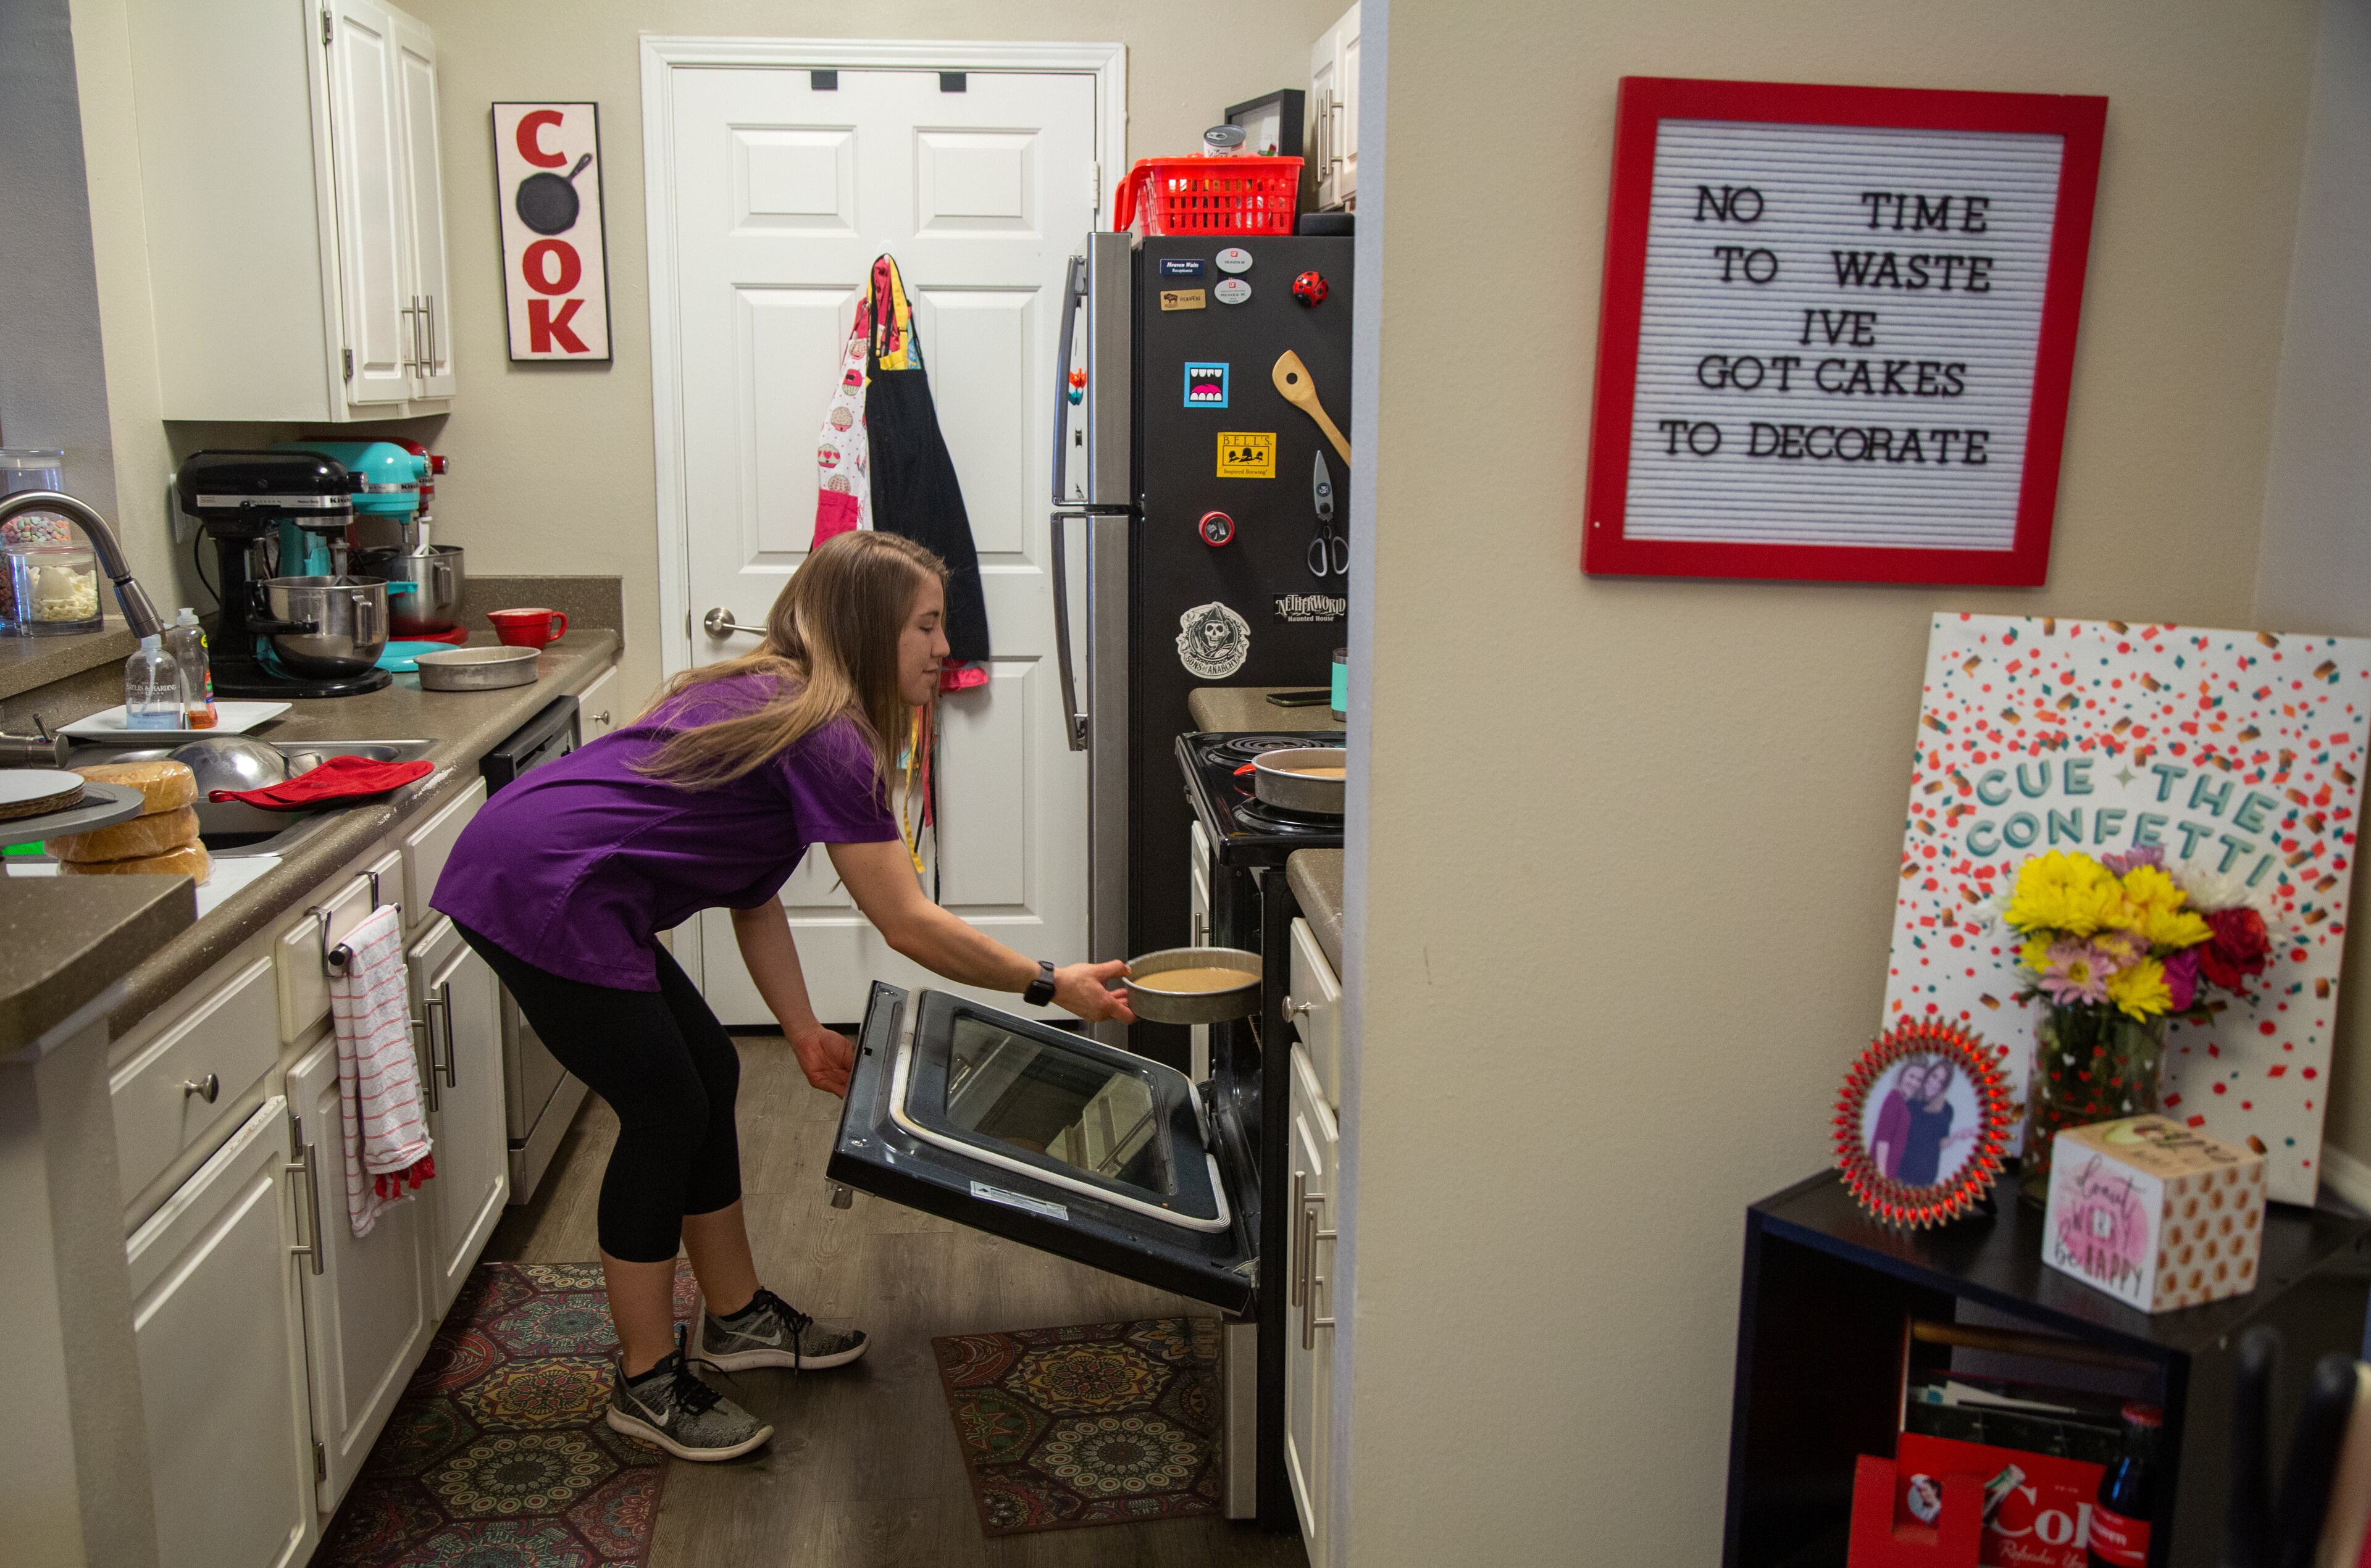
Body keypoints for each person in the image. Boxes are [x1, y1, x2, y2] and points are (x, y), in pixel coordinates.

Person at [431, 531, 1133, 1462]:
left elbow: (749, 885)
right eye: (926, 626)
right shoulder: (830, 734)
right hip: (542, 886)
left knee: (709, 1070)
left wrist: (802, 1030)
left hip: (555, 866)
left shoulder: (782, 696)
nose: (942, 647)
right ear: (868, 627)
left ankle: (737, 1318)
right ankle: (645, 1380)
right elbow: (908, 923)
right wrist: (1052, 984)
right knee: (663, 1107)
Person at [1896, 1058, 1959, 1186]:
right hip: (1901, 1170)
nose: (1934, 1083)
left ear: (1944, 1087)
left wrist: (1957, 1137)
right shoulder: (1910, 1102)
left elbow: (1940, 1144)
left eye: (1941, 1082)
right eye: (1934, 1076)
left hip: (1926, 1175)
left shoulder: (1946, 1110)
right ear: (1928, 1074)